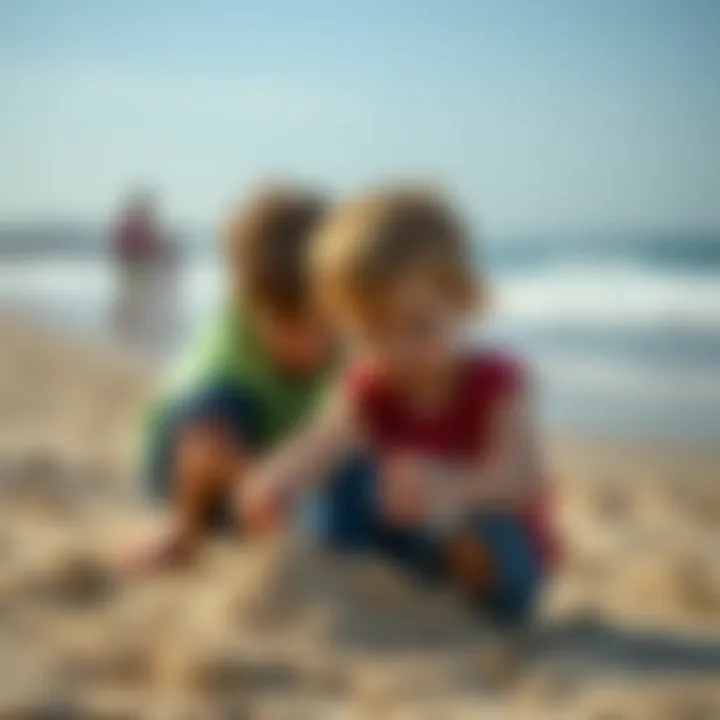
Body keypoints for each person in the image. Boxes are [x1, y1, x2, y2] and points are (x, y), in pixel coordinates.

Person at [242, 186, 557, 632]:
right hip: (398, 542)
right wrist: (275, 481)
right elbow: (321, 442)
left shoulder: (495, 385)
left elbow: (523, 479)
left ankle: (468, 576)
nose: (398, 349)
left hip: (478, 527)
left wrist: (452, 487)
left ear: (467, 301)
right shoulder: (372, 385)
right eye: (372, 332)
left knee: (499, 543)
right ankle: (341, 572)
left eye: (418, 326)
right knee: (338, 485)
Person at [125, 186, 333, 572]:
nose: (313, 341)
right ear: (247, 303)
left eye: (325, 322)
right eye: (292, 324)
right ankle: (182, 528)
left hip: (279, 460)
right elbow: (205, 440)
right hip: (183, 467)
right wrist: (257, 483)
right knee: (220, 411)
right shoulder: (227, 349)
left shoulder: (343, 337)